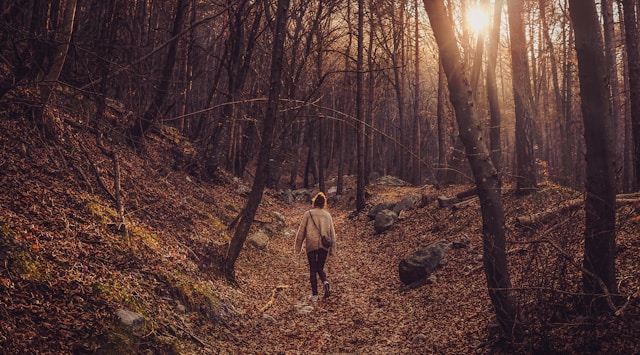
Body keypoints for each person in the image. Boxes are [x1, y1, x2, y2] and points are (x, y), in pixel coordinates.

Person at [294, 192, 336, 302]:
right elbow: (332, 233)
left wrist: (297, 247)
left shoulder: (308, 214)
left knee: (313, 269)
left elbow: (301, 231)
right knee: (320, 268)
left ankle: (315, 295)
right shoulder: (327, 216)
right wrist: (333, 250)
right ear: (323, 204)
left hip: (311, 244)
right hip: (324, 245)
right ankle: (325, 282)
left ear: (314, 202)